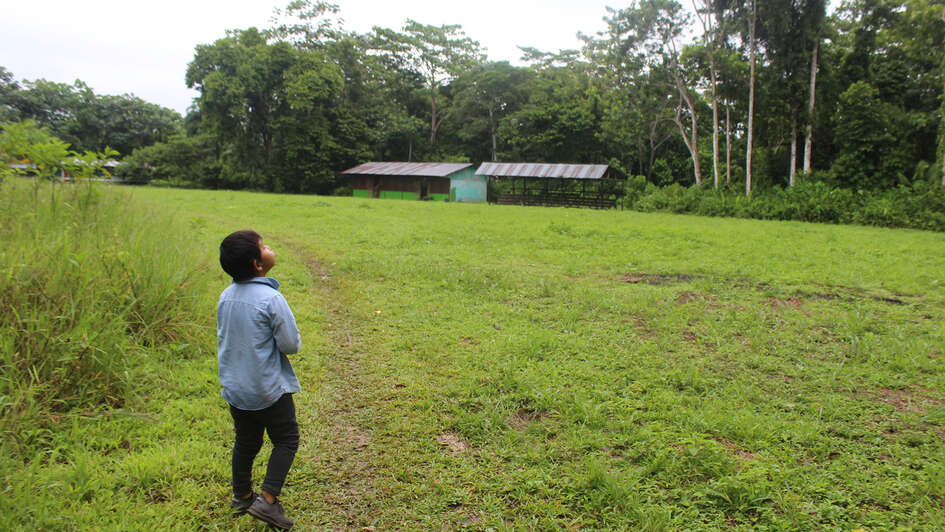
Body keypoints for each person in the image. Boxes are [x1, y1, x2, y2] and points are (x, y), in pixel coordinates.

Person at [217, 229, 301, 530]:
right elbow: (290, 344)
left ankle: (242, 495)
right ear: (257, 264)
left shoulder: (226, 296)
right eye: (264, 246)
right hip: (268, 389)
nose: (270, 247)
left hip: (236, 389)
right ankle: (267, 500)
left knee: (246, 441)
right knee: (287, 440)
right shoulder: (271, 298)